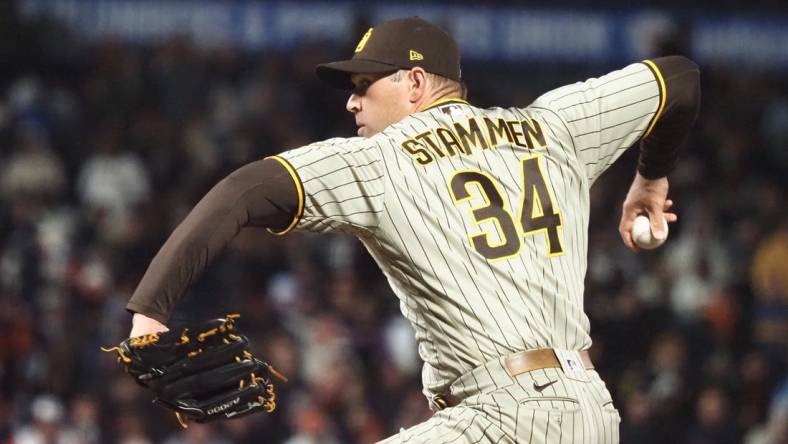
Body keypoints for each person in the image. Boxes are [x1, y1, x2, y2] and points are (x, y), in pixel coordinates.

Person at [126, 16, 700, 443]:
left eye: (364, 86)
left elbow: (244, 191)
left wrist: (150, 312)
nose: (351, 103)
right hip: (591, 412)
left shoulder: (385, 159)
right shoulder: (553, 126)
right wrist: (649, 179)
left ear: (416, 83)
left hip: (506, 416)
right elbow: (679, 78)